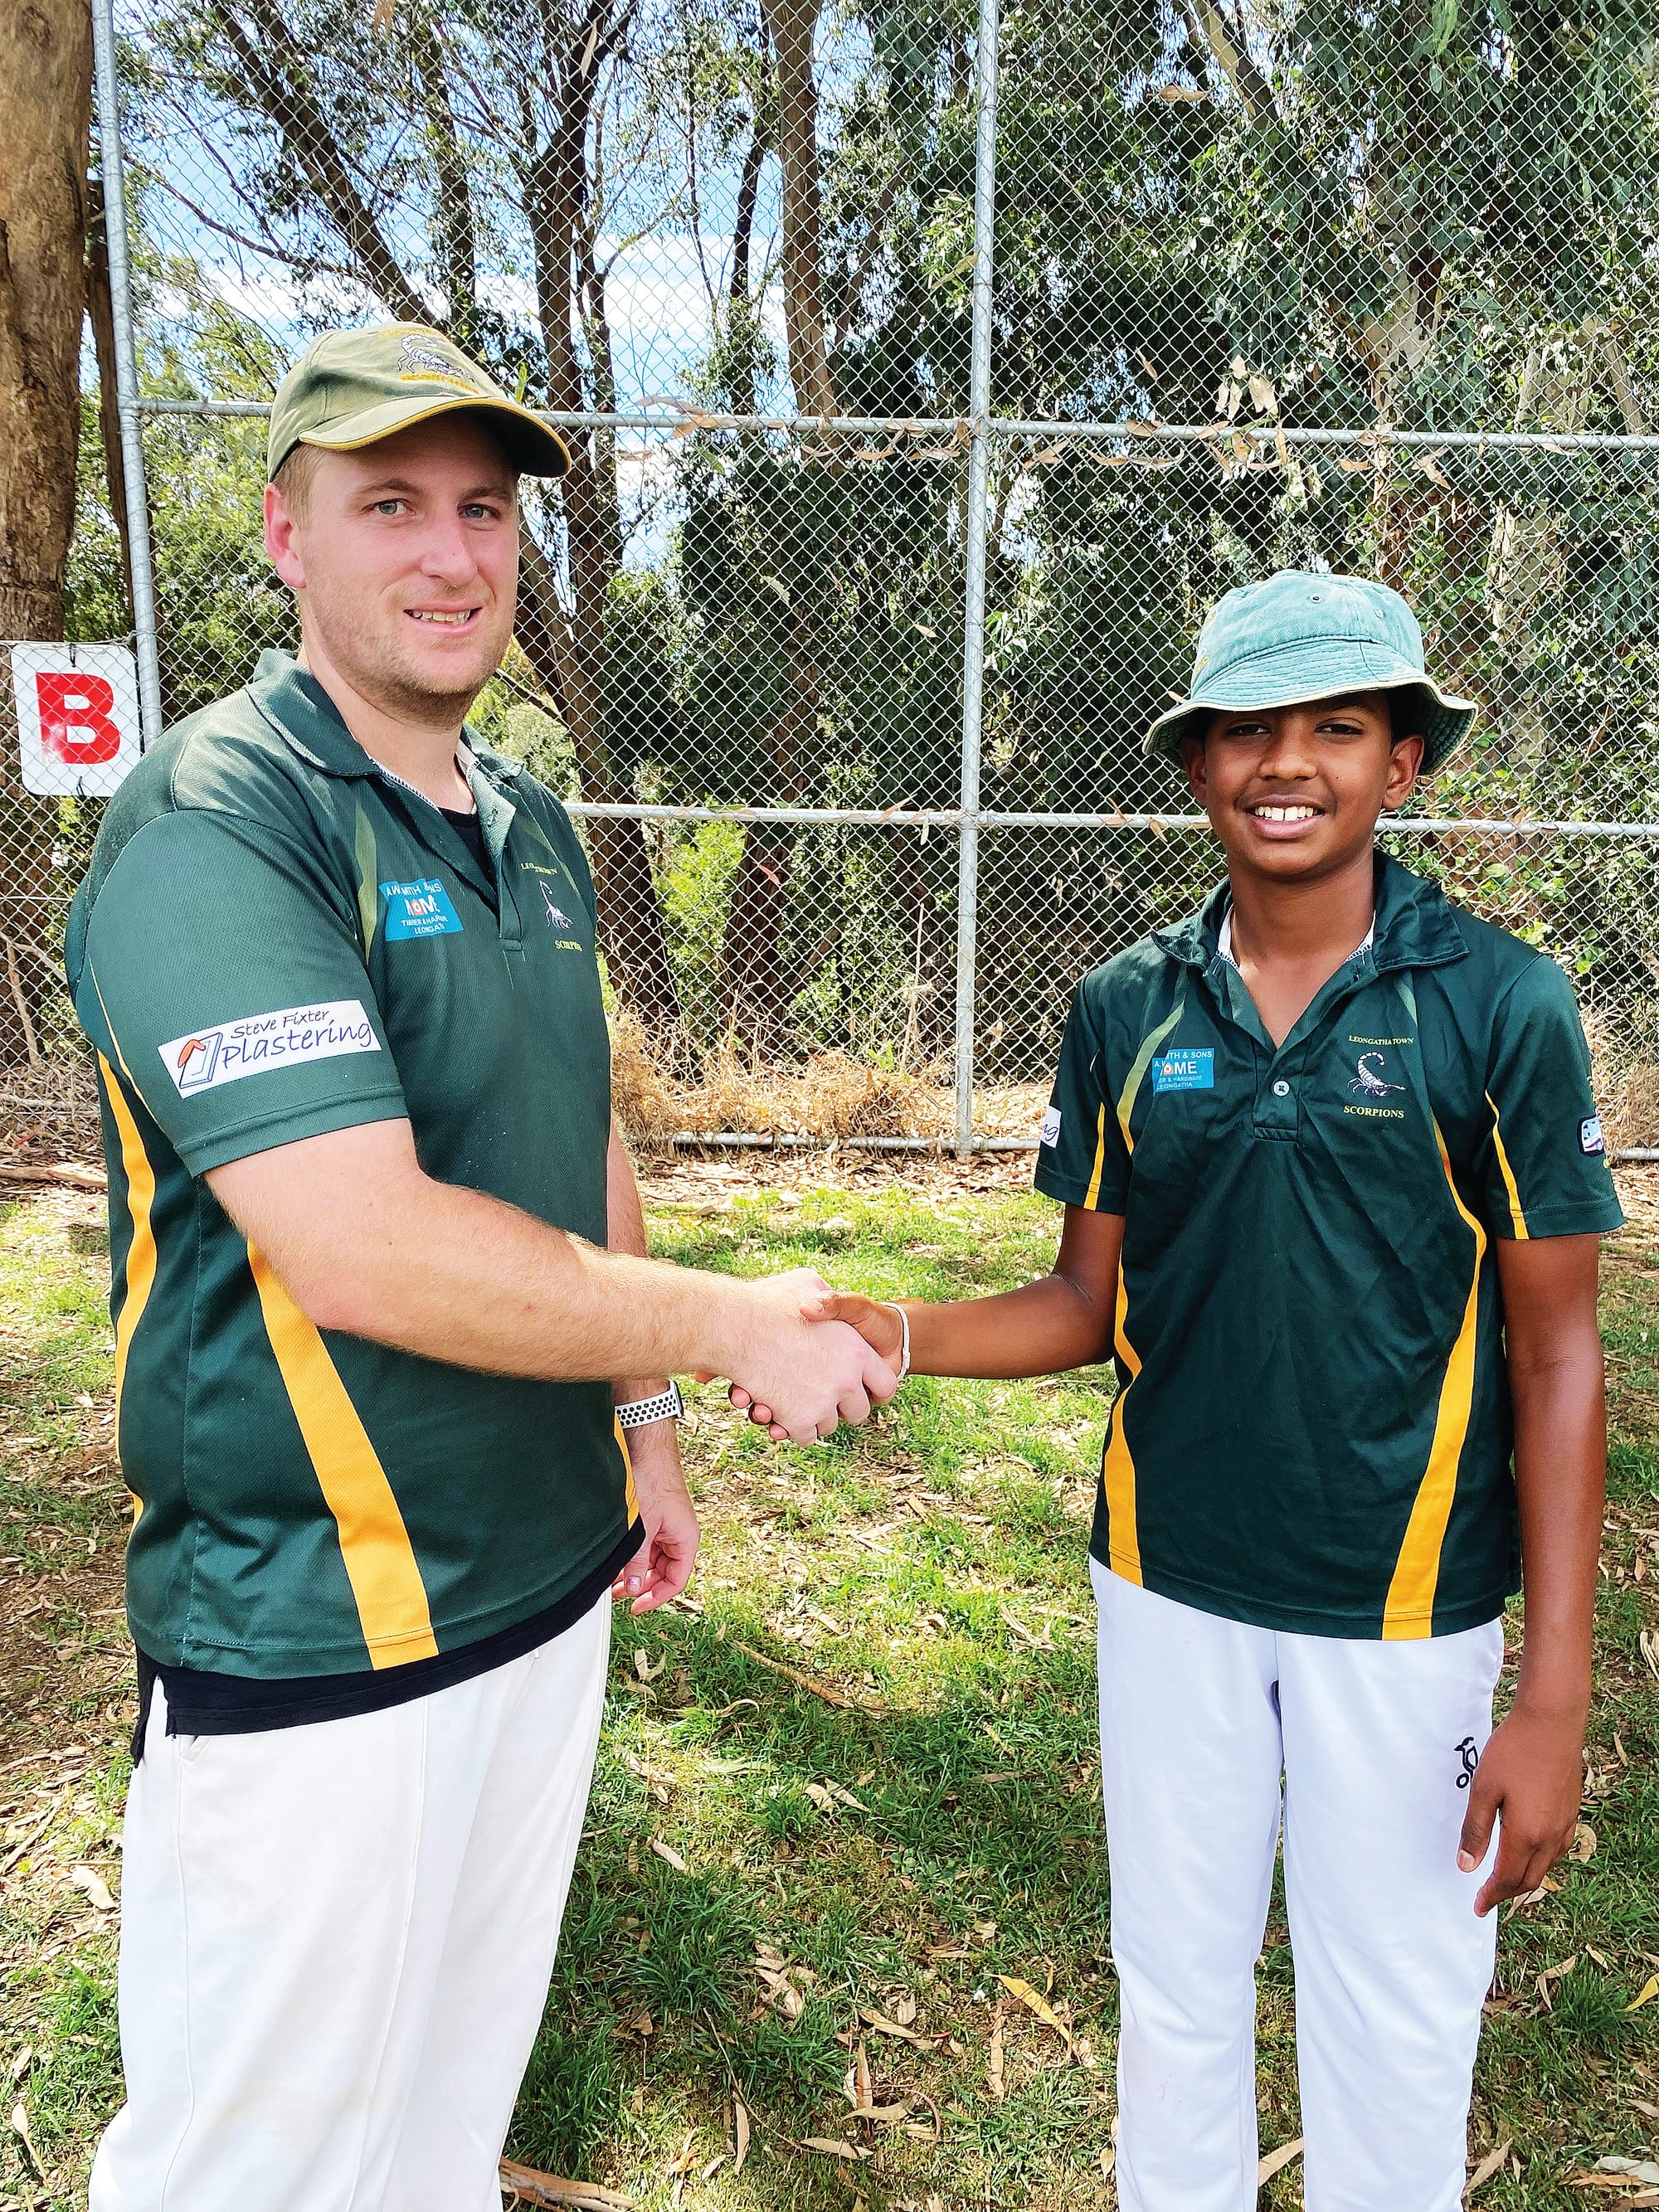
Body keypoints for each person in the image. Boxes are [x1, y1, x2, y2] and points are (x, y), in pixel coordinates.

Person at [67, 322, 896, 2212]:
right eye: (389, 507)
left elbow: (573, 1112)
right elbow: (355, 1241)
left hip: (543, 1574)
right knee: (249, 2167)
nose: (453, 556)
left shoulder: (525, 818)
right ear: (282, 535)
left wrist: (649, 1417)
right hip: (322, 1625)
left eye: (482, 510)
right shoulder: (218, 816)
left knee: (439, 2127)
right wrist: (731, 1319)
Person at [746, 572, 1623, 2211]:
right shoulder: (1127, 1009)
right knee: (1176, 1986)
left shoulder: (1498, 1003)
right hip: (1166, 1588)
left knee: (1399, 2003)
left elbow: (1555, 1350)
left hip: (1407, 1600)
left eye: (1337, 727)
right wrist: (901, 1329)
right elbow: (1089, 1299)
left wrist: (1553, 1698)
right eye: (1246, 729)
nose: (1286, 762)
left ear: (1402, 763)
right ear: (1196, 760)